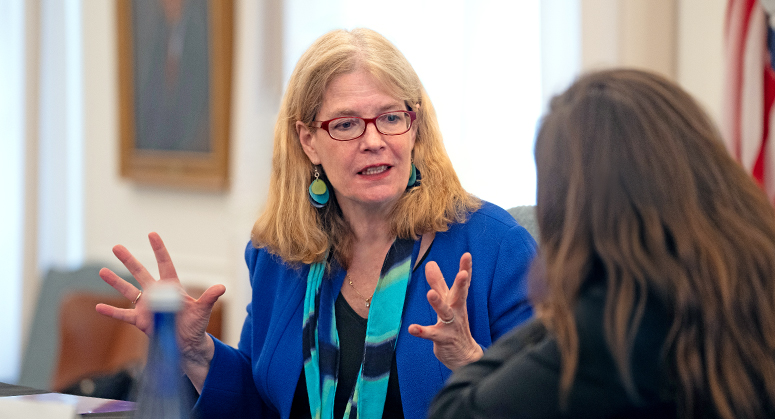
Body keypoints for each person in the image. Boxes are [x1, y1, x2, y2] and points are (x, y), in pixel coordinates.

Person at [96, 28, 536, 418]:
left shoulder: (497, 248)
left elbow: (554, 402)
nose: (374, 141)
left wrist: (471, 362)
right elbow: (262, 404)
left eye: (391, 117)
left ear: (415, 125)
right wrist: (195, 349)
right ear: (308, 141)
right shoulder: (278, 256)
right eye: (346, 125)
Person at [428, 68, 775, 419]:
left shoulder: (616, 326)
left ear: (573, 208)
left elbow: (453, 411)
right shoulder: (753, 279)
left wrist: (563, 305)